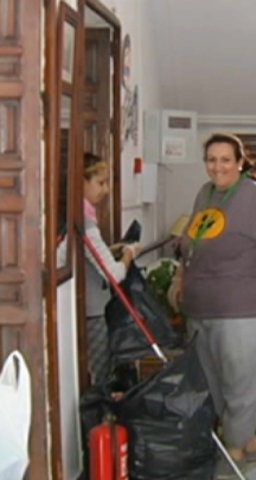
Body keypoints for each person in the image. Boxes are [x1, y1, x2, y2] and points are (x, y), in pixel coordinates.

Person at [168, 132, 256, 479]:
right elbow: (192, 247)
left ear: (240, 161)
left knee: (241, 384)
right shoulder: (205, 194)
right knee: (214, 384)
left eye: (225, 159)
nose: (218, 166)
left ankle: (232, 457)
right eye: (212, 160)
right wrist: (179, 280)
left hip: (245, 309)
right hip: (201, 308)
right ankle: (251, 446)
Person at [73, 152, 138, 385]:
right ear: (80, 182)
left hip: (88, 309)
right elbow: (114, 274)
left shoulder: (78, 217)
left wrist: (111, 250)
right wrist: (129, 254)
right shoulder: (84, 222)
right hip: (90, 313)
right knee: (98, 378)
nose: (106, 190)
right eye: (101, 183)